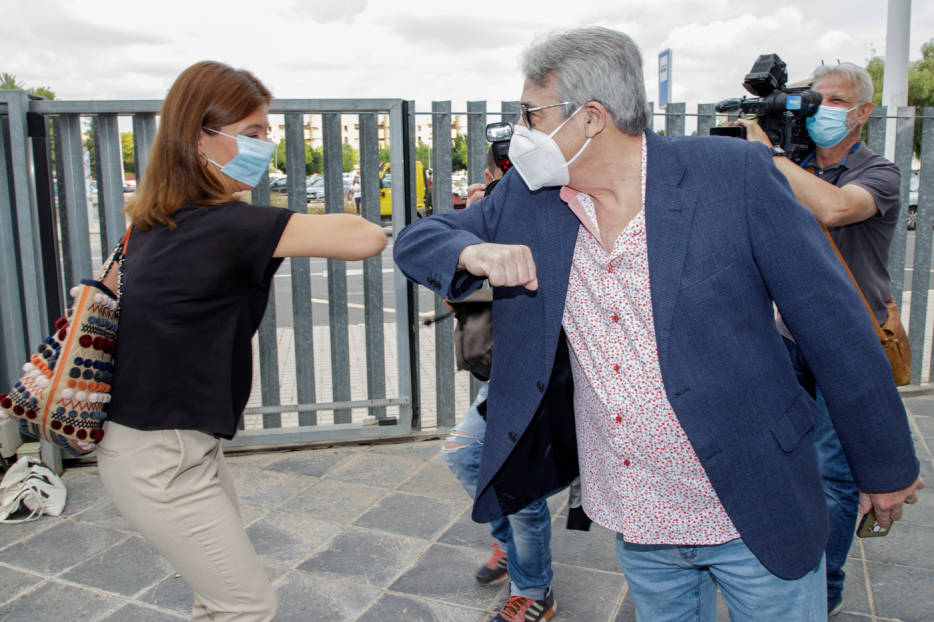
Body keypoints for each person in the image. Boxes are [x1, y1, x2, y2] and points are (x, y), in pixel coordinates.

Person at [394, 27, 923, 621]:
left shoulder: (731, 175)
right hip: (639, 514)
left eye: (531, 114)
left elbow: (835, 326)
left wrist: (886, 467)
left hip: (752, 497)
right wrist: (472, 254)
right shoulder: (531, 197)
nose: (522, 133)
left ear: (590, 117)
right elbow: (419, 239)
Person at [95, 61, 386, 622]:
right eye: (251, 134)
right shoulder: (226, 226)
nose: (265, 146)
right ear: (199, 137)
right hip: (162, 456)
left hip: (169, 445)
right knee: (245, 606)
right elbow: (367, 236)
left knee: (218, 600)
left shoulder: (155, 222)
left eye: (265, 132)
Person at [734, 62, 905, 616]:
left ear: (863, 113)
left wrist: (770, 156)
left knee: (834, 473)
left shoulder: (878, 173)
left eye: (836, 100)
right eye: (816, 97)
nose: (821, 109)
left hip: (849, 337)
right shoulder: (795, 163)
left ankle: (822, 588)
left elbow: (833, 208)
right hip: (788, 335)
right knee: (783, 456)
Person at [442, 143, 558, 622]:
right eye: (501, 173)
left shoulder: (560, 210)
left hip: (552, 372)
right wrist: (473, 239)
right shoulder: (488, 215)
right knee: (464, 452)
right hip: (509, 375)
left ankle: (533, 589)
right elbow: (454, 299)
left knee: (518, 485)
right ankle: (510, 545)